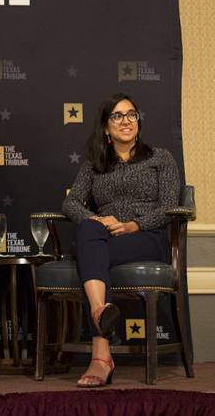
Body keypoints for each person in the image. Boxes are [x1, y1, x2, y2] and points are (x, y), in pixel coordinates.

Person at [62, 92, 180, 388]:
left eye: (131, 114)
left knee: (90, 252)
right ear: (105, 127)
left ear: (138, 121)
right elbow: (72, 202)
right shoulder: (95, 163)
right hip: (106, 238)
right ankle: (101, 313)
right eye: (117, 115)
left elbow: (168, 207)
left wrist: (133, 225)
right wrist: (100, 220)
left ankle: (100, 357)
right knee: (89, 229)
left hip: (147, 238)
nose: (126, 121)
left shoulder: (160, 158)